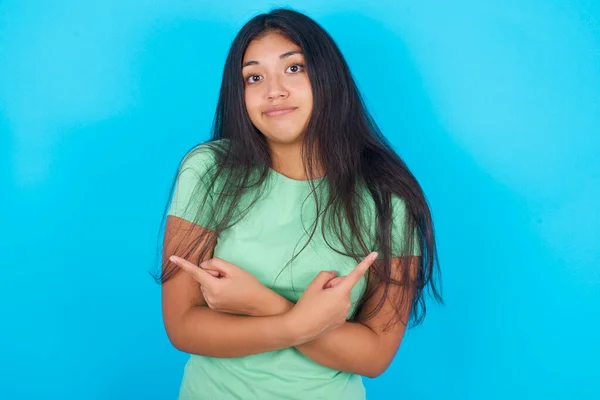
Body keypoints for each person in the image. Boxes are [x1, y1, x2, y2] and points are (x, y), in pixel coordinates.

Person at [153, 7, 443, 400]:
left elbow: (374, 356)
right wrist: (297, 323)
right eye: (254, 77)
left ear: (328, 77)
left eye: (294, 69)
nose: (274, 90)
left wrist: (260, 302)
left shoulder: (387, 197)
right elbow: (183, 326)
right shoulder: (208, 170)